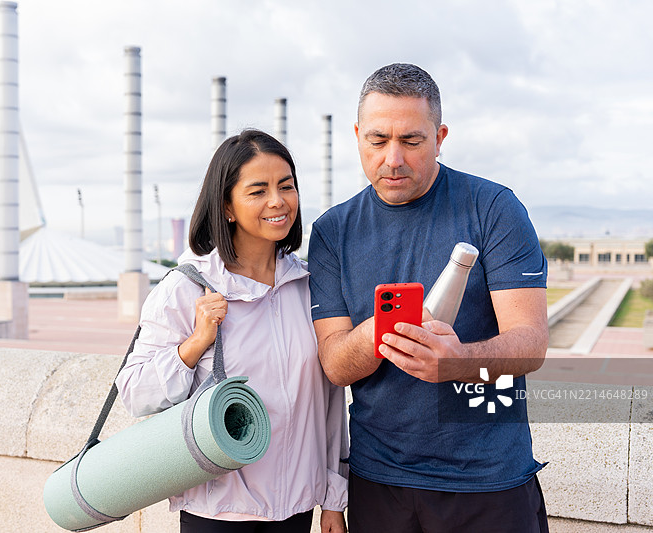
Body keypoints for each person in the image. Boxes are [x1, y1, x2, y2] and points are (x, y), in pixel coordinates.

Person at [308, 63, 550, 532]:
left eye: (412, 141)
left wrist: (458, 362)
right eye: (377, 140)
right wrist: (384, 328)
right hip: (379, 482)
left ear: (439, 136)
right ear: (357, 135)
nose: (393, 158)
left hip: (489, 480)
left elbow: (530, 343)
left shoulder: (493, 208)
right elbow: (336, 365)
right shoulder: (332, 232)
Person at [116, 129, 348, 533]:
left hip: (296, 512)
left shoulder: (311, 287)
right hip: (218, 514)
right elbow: (134, 393)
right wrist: (194, 344)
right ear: (227, 206)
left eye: (286, 186)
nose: (278, 201)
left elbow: (328, 403)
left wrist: (333, 500)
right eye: (257, 191)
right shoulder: (186, 286)